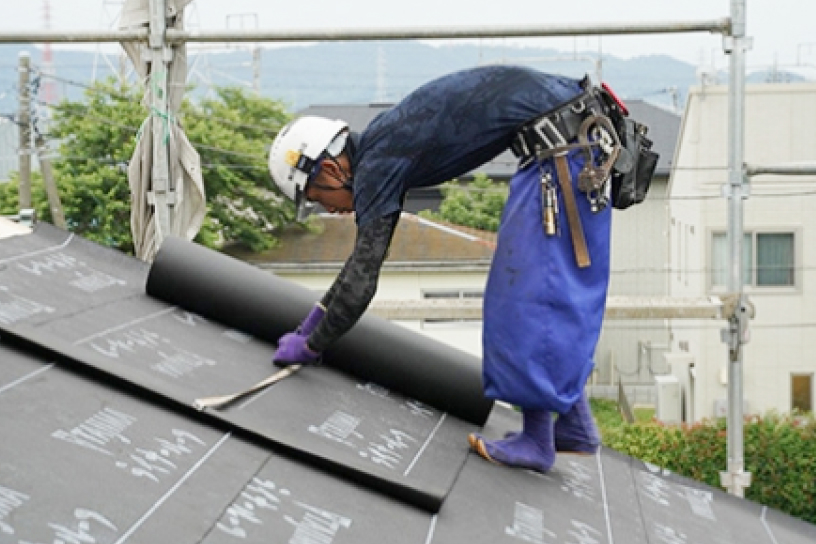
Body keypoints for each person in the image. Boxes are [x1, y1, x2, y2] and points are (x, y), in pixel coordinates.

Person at [267, 64, 647, 474]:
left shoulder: (375, 164)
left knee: (526, 301)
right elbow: (358, 266)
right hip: (568, 148)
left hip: (563, 158)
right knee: (536, 295)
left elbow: (363, 275)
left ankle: (539, 441)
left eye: (319, 198)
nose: (329, 209)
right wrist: (311, 324)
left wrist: (313, 345)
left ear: (329, 169)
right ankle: (573, 426)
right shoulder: (379, 145)